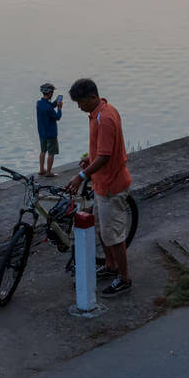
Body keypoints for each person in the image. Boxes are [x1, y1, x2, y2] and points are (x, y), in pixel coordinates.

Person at [65, 78, 134, 295]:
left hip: (112, 186)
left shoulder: (104, 118)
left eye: (81, 102)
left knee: (114, 235)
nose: (79, 107)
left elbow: (105, 156)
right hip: (101, 185)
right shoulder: (100, 113)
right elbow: (100, 151)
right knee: (103, 230)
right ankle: (110, 266)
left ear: (92, 97)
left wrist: (81, 175)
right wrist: (89, 158)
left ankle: (124, 278)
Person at [36, 82, 63, 176]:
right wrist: (59, 108)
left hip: (42, 132)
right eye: (52, 92)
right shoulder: (49, 108)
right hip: (51, 133)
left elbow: (49, 107)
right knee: (51, 153)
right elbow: (57, 117)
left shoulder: (39, 104)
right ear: (50, 93)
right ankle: (48, 172)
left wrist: (55, 102)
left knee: (43, 151)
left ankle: (41, 170)